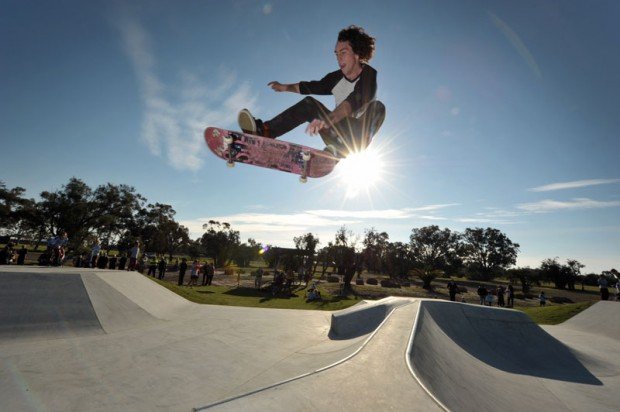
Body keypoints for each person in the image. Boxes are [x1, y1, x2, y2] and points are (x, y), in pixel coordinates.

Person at [237, 25, 385, 158]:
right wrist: (284, 87)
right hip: (335, 132)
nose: (339, 59)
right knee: (309, 103)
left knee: (379, 107)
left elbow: (352, 101)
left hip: (356, 137)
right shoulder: (335, 78)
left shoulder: (369, 75)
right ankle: (265, 131)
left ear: (357, 54)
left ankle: (340, 149)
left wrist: (327, 120)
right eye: (336, 54)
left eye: (343, 52)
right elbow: (309, 87)